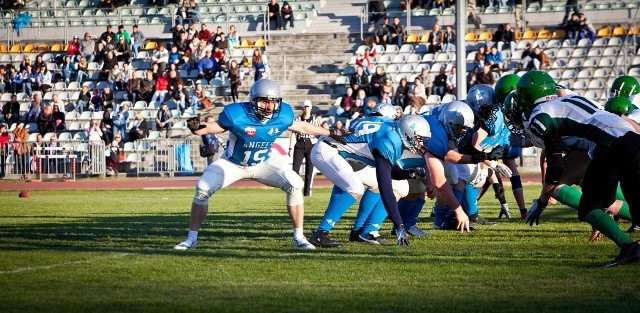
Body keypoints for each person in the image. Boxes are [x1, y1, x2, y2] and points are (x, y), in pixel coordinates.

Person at [173, 79, 349, 250]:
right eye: (264, 101)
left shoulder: (282, 115)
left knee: (295, 184)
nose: (269, 106)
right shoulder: (237, 115)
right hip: (233, 163)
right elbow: (214, 127)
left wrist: (330, 132)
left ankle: (299, 237)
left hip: (263, 162)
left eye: (272, 102)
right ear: (254, 101)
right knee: (202, 189)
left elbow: (302, 127)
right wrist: (198, 128)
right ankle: (191, 239)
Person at [512, 70, 640, 267]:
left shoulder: (540, 114)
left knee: (589, 207)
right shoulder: (568, 99)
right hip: (632, 138)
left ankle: (629, 247)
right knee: (633, 201)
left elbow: (555, 163)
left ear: (530, 95)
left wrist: (542, 201)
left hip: (610, 144)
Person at [307, 112, 432, 247]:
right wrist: (399, 225)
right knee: (355, 188)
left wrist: (408, 174)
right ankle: (320, 234)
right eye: (418, 139)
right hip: (327, 150)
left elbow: (390, 172)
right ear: (407, 133)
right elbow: (385, 188)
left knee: (400, 186)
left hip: (346, 156)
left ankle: (361, 231)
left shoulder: (392, 132)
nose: (420, 144)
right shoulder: (389, 140)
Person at [289, 99, 321, 197]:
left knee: (309, 170)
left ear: (310, 108)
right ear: (302, 108)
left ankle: (307, 192)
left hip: (310, 145)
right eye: (305, 106)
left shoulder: (315, 120)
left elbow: (318, 133)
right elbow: (293, 133)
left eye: (308, 106)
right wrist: (290, 147)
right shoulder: (297, 119)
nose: (306, 108)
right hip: (299, 145)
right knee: (295, 170)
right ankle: (295, 190)